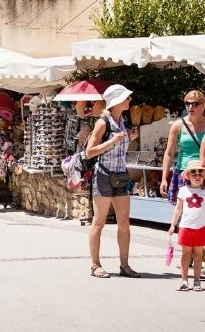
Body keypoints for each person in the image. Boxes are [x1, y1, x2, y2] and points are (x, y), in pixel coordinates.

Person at [86, 84, 140, 278]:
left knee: (124, 222)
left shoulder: (123, 120)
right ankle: (95, 265)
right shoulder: (103, 122)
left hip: (120, 175)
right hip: (103, 175)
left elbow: (119, 150)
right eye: (126, 98)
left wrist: (129, 139)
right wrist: (111, 141)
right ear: (117, 100)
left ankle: (124, 266)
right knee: (99, 222)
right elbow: (89, 152)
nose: (129, 100)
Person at [161, 90, 205, 203]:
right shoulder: (178, 125)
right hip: (184, 172)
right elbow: (169, 153)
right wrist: (164, 179)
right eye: (187, 103)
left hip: (203, 172)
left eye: (195, 103)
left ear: (203, 105)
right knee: (183, 210)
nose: (190, 107)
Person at [168, 160, 205, 291]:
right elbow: (178, 209)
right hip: (186, 227)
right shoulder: (183, 190)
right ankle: (184, 280)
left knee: (198, 255)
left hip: (201, 228)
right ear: (188, 176)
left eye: (201, 172)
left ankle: (196, 281)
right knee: (186, 254)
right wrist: (173, 225)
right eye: (193, 172)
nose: (197, 175)